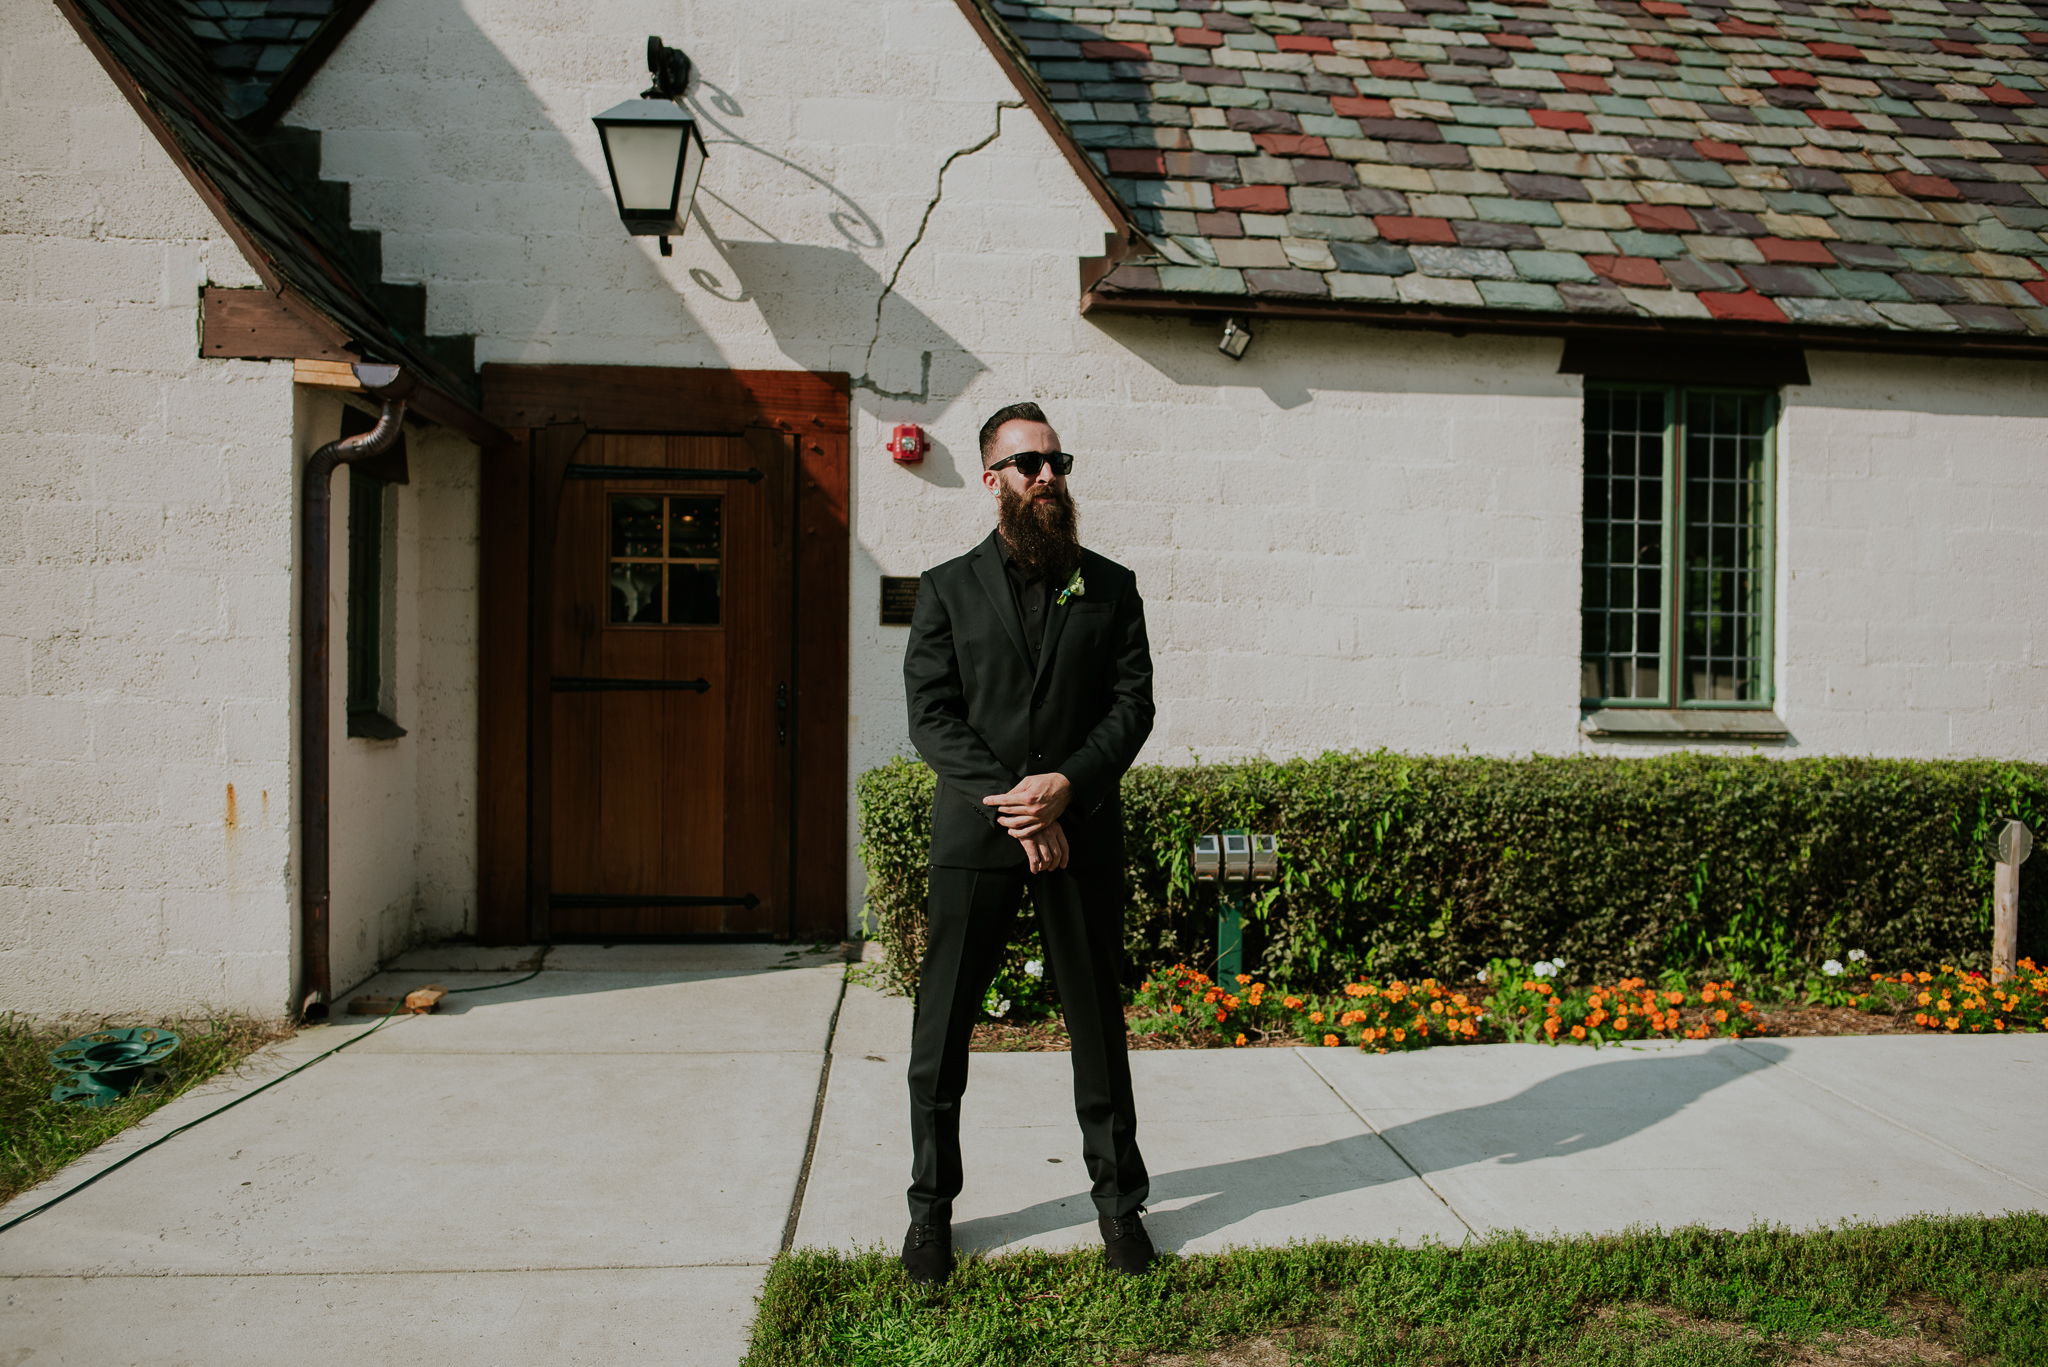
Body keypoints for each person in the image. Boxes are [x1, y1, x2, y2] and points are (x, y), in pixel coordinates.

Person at [898, 401, 1158, 1286]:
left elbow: (1132, 707)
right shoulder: (945, 588)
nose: (1048, 476)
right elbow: (932, 716)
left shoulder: (1113, 587)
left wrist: (1067, 790)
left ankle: (1120, 1204)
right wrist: (1020, 805)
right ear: (991, 480)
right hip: (980, 838)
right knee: (941, 1034)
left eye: (1057, 462)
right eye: (1028, 464)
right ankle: (930, 1213)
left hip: (1079, 833)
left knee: (1097, 1029)